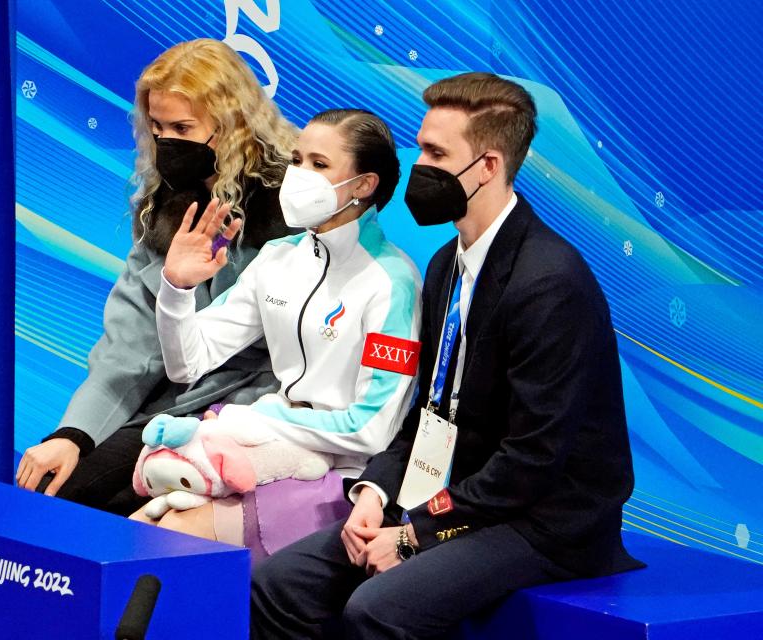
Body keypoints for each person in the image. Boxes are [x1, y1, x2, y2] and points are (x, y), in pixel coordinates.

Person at [251, 72, 643, 639]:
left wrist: (412, 534)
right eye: (422, 147)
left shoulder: (549, 283)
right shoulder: (444, 265)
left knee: (377, 608)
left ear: (487, 166)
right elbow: (427, 411)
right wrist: (375, 493)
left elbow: (532, 461)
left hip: (543, 521)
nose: (420, 166)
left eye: (437, 153)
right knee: (282, 582)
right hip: (456, 497)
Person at [15, 39, 297, 514]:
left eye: (183, 127)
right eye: (158, 128)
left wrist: (211, 430)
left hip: (251, 413)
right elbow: (131, 342)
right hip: (169, 405)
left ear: (232, 126)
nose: (168, 143)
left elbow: (294, 357)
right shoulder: (162, 206)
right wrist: (75, 434)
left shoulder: (290, 209)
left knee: (111, 508)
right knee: (54, 491)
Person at [132, 109, 422, 560]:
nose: (299, 175)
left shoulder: (392, 281)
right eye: (297, 160)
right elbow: (189, 361)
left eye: (320, 165)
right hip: (260, 450)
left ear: (364, 186)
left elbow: (371, 430)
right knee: (138, 529)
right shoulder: (278, 257)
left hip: (342, 476)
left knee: (168, 538)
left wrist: (254, 420)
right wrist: (177, 289)